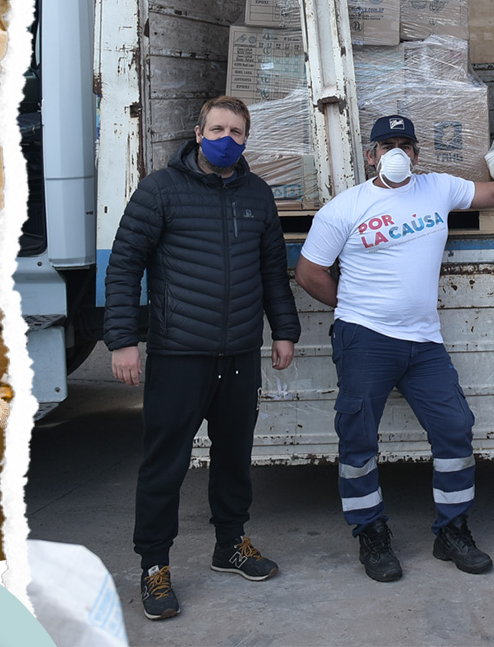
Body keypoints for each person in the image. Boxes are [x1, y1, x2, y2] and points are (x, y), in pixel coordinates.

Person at [294, 114, 494, 583]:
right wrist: (356, 307)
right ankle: (371, 534)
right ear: (370, 155)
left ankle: (452, 531)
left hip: (423, 341)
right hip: (365, 338)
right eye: (386, 145)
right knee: (358, 439)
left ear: (418, 154)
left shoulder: (437, 189)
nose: (396, 153)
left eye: (405, 144)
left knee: (455, 428)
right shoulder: (345, 208)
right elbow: (309, 272)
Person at [102, 95, 302, 621]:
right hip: (178, 354)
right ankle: (153, 566)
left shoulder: (257, 195)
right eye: (218, 128)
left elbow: (270, 272)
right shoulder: (160, 191)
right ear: (197, 132)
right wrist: (123, 340)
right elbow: (124, 266)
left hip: (238, 354)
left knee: (234, 457)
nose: (227, 138)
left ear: (245, 140)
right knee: (164, 464)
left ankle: (230, 544)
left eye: (237, 132)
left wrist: (284, 331)